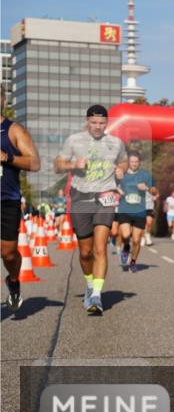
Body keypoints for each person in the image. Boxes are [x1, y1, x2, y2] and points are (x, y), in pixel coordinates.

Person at [54, 104, 128, 315]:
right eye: (94, 122)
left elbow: (122, 161)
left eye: (102, 123)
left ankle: (96, 295)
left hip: (106, 196)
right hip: (80, 198)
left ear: (107, 123)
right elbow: (58, 164)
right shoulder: (74, 141)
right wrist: (73, 165)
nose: (97, 126)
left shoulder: (115, 143)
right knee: (85, 253)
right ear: (87, 121)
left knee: (99, 248)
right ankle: (89, 285)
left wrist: (120, 171)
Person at [1, 100, 41, 312]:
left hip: (6, 200)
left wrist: (6, 157)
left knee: (8, 253)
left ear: (3, 101)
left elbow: (34, 163)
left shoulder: (13, 130)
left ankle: (14, 280)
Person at [114, 151, 157, 273]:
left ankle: (133, 262)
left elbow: (154, 191)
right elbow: (111, 186)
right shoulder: (121, 175)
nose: (134, 164)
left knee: (137, 240)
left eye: (136, 162)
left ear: (140, 162)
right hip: (125, 210)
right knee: (126, 235)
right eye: (131, 162)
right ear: (128, 162)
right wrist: (118, 190)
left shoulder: (145, 175)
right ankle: (126, 247)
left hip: (139, 211)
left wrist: (147, 188)